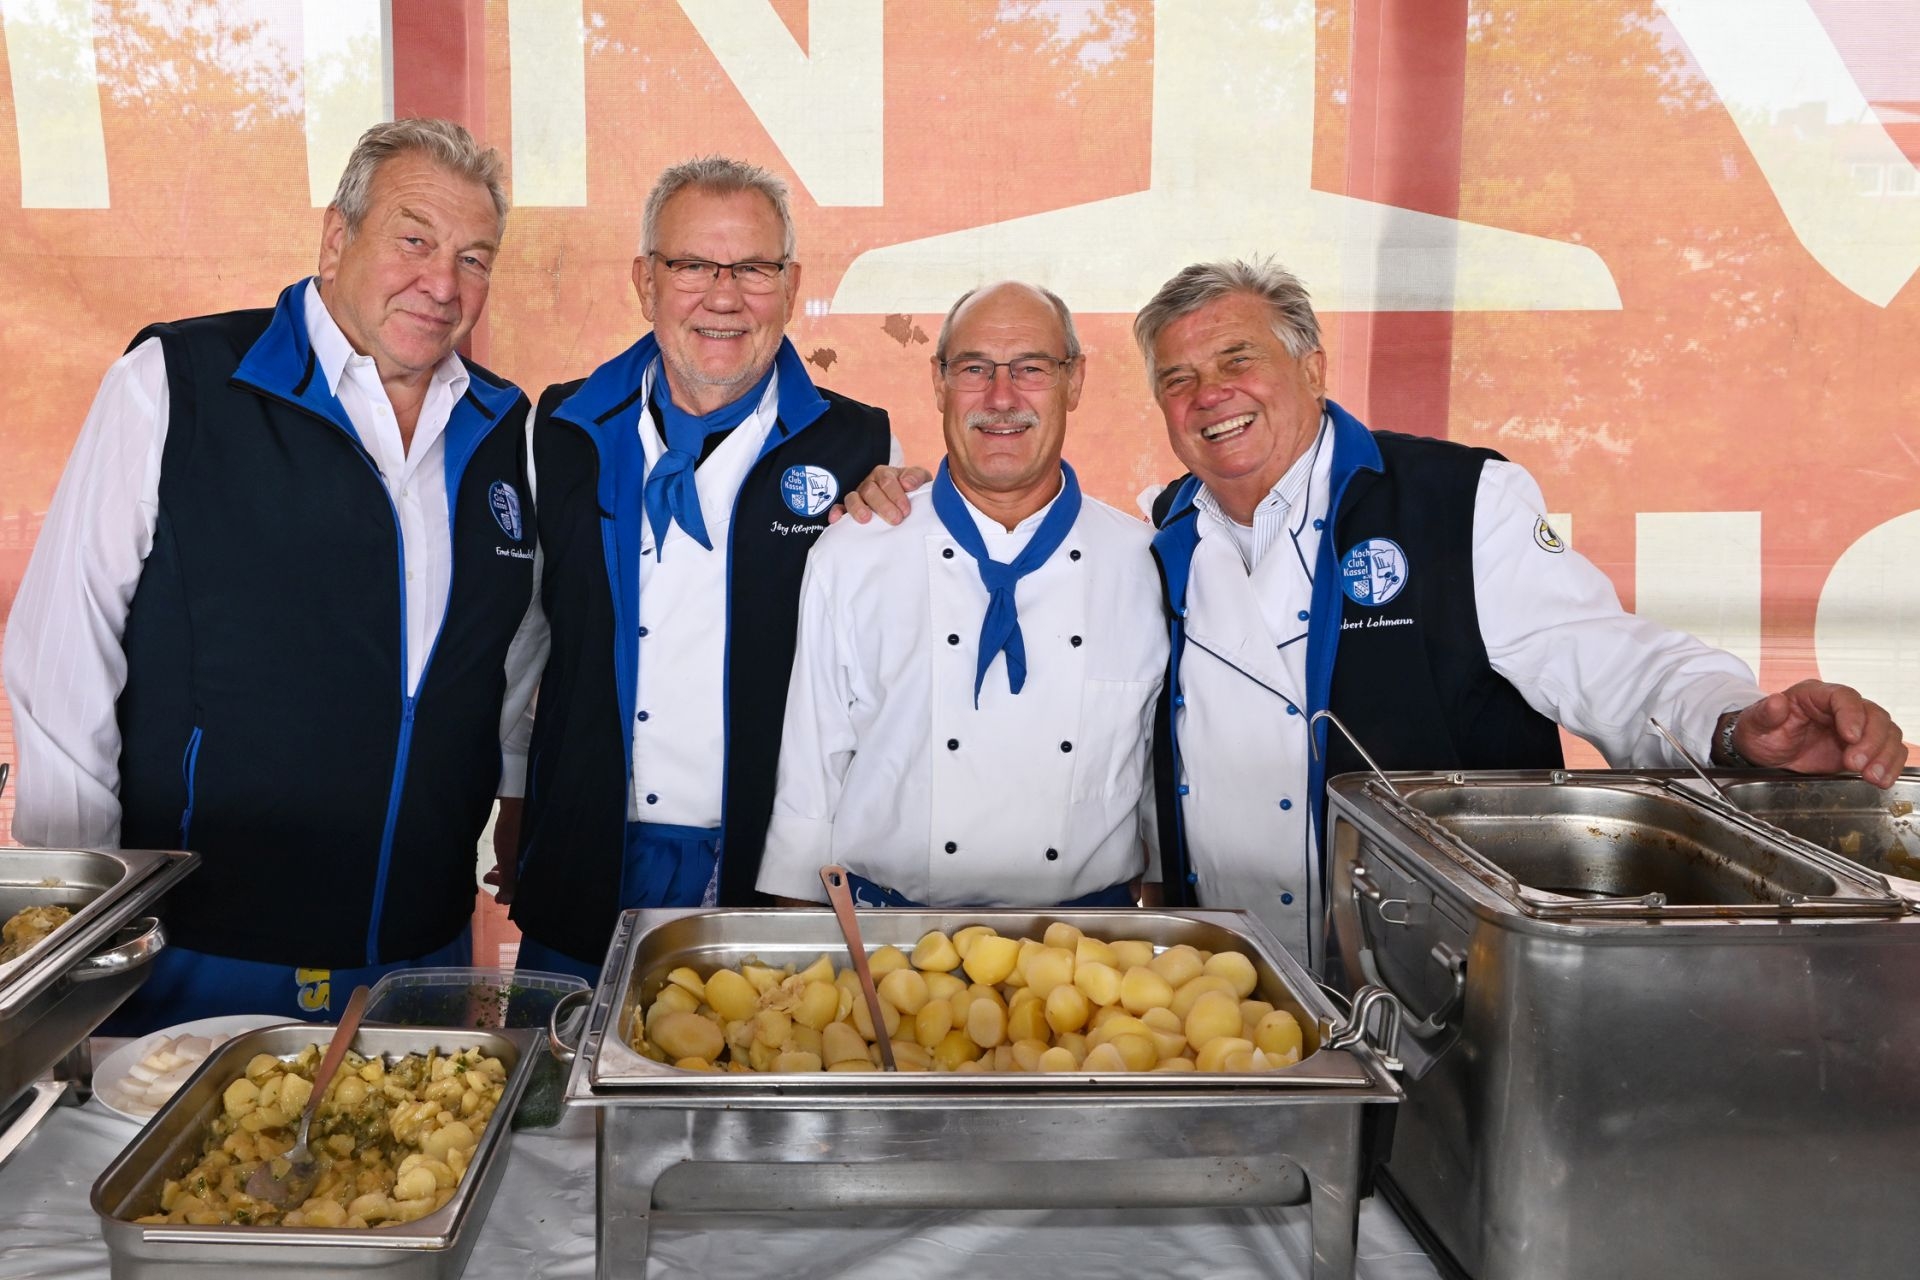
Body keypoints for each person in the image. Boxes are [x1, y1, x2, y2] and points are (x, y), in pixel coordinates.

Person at [843, 258, 1908, 966]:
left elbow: (1603, 652)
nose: (1209, 395)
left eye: (1237, 359)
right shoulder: (1161, 535)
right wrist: (893, 494)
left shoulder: (1454, 499)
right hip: (1232, 977)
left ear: (1312, 365)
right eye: (1177, 379)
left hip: (1436, 963)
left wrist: (1733, 721)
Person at [2, 119, 541, 1030]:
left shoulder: (504, 427)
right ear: (337, 237)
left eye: (473, 258)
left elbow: (513, 653)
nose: (443, 284)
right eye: (414, 240)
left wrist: (509, 794)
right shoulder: (178, 382)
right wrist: (82, 916)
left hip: (420, 944)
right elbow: (64, 647)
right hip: (198, 944)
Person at [497, 157, 894, 981]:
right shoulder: (559, 428)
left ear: (791, 286)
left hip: (766, 871)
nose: (723, 296)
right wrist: (515, 789)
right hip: (582, 850)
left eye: (753, 268)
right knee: (561, 1065)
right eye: (691, 266)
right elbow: (525, 637)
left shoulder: (861, 447)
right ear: (645, 281)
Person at [756, 283, 1165, 910]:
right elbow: (810, 774)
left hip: (1089, 946)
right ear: (939, 382)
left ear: (1075, 381)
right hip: (890, 940)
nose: (1001, 398)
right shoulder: (854, 553)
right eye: (974, 369)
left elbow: (1160, 781)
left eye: (1031, 368)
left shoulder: (1143, 562)